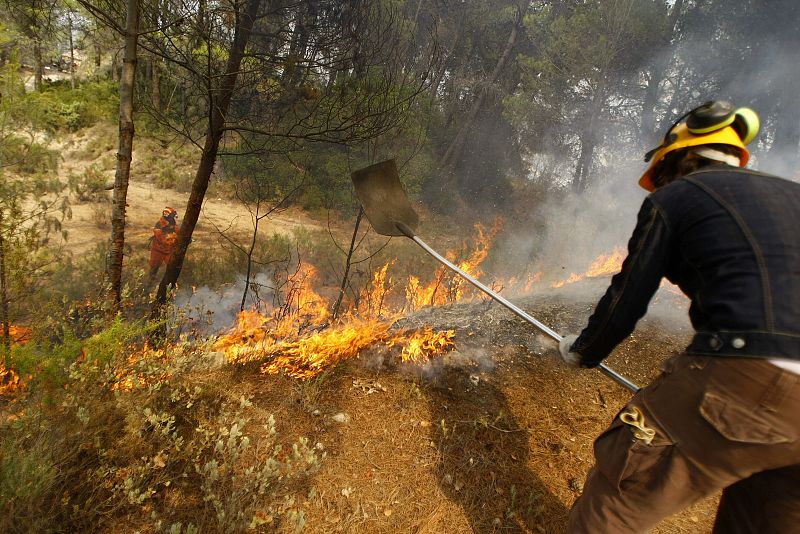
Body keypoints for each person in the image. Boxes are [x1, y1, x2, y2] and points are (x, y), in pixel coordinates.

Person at [558, 101, 800, 533]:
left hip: (747, 374)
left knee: (619, 497)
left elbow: (626, 300)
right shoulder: (791, 195)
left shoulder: (678, 197)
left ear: (676, 159)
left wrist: (582, 352)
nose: (657, 189)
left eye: (660, 179)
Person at [149, 207, 180, 279]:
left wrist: (183, 237)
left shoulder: (172, 222)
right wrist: (170, 239)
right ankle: (151, 279)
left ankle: (170, 279)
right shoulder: (160, 223)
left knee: (172, 264)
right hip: (158, 248)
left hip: (168, 249)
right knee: (155, 264)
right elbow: (159, 235)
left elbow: (177, 230)